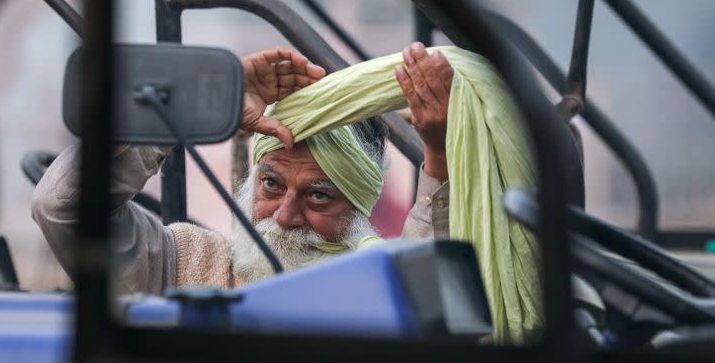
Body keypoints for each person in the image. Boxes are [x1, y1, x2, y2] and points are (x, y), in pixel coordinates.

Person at [32, 41, 454, 293]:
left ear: (360, 209)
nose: (285, 216)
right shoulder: (186, 265)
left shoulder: (376, 287)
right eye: (271, 184)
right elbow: (63, 208)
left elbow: (432, 288)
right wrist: (202, 101)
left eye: (318, 195)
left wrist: (438, 156)